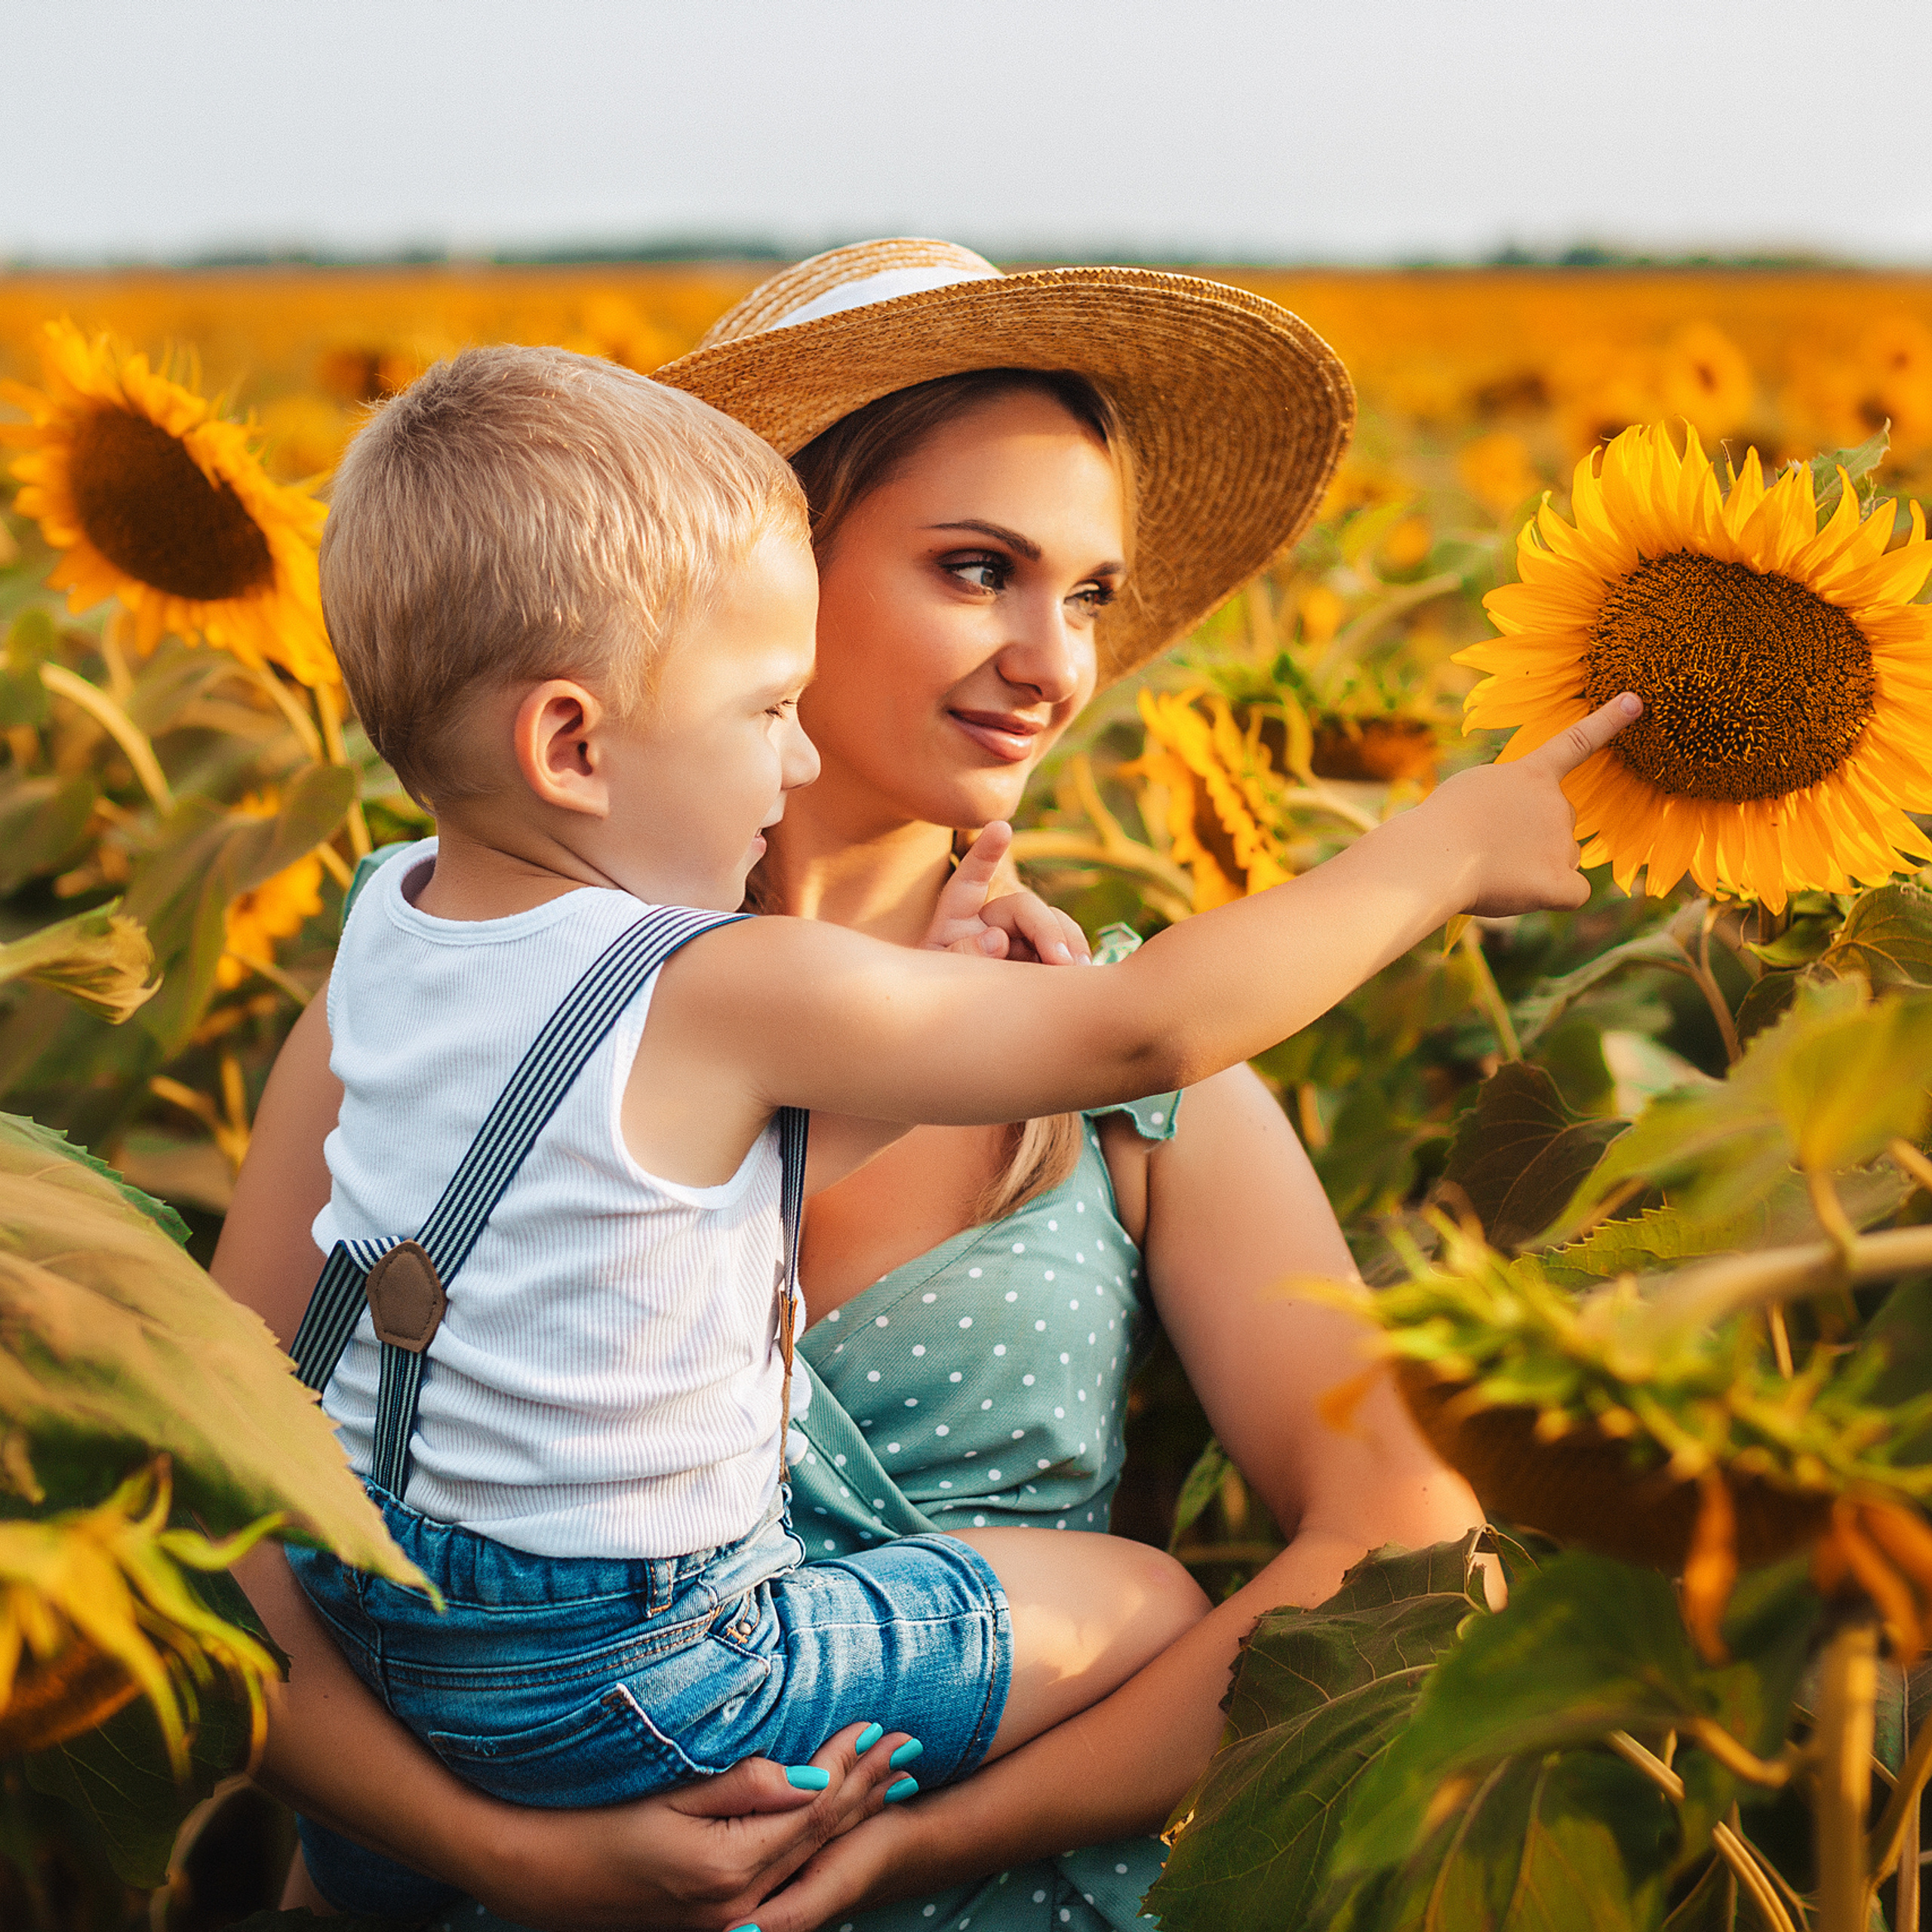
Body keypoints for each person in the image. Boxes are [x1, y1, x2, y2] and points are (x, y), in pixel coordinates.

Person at [216, 242, 1635, 1930]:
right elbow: (228, 1500)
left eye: (1088, 594)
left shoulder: (1098, 1086)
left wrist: (927, 1835)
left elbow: (1402, 1545)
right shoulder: (441, 1023)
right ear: (768, 575)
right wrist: (526, 1859)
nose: (1054, 660)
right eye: (977, 569)